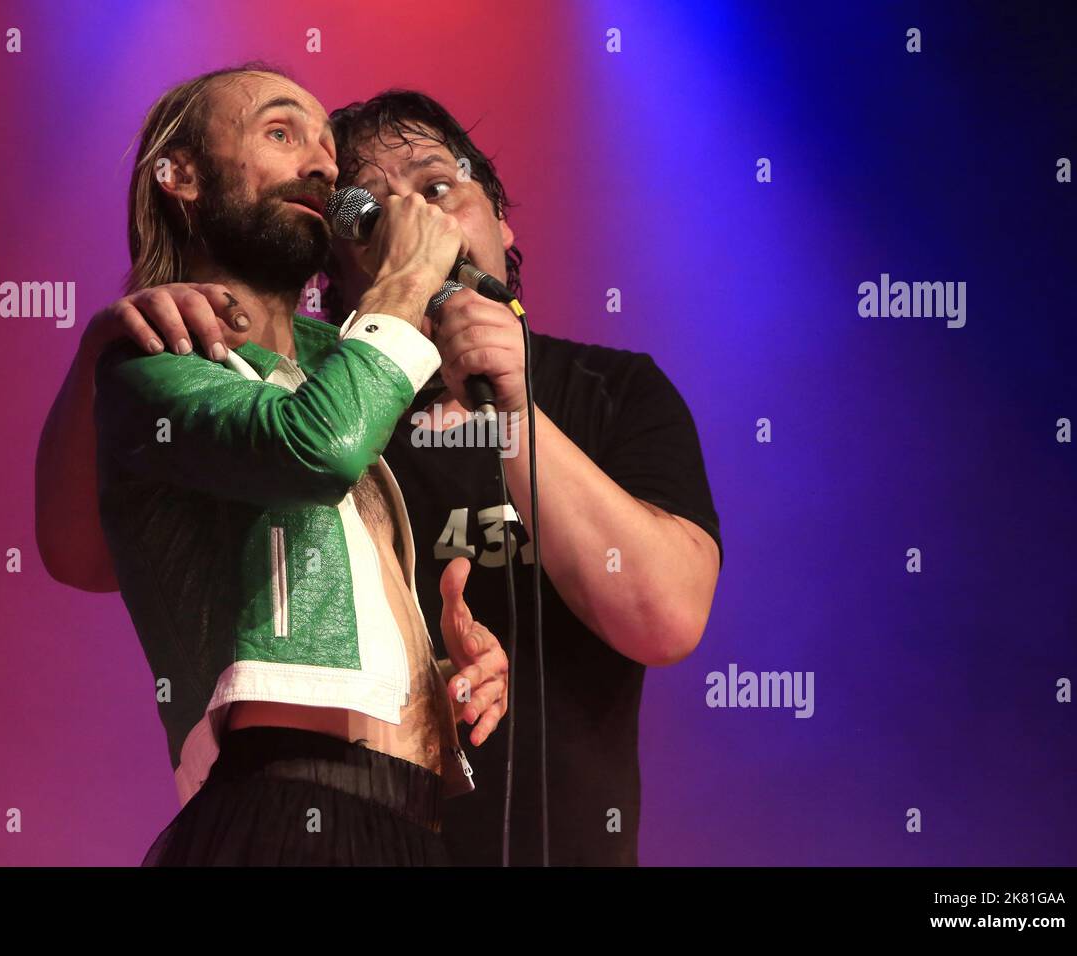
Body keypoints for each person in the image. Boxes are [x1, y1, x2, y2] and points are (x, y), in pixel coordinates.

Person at [38, 79, 722, 866]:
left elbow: (664, 616)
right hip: (314, 822)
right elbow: (91, 550)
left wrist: (511, 416)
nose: (419, 223)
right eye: (371, 211)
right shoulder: (297, 383)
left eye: (438, 189)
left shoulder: (610, 390)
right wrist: (100, 360)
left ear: (500, 219)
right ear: (335, 260)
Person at [38, 62, 510, 865]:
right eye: (282, 133)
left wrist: (435, 669)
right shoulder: (152, 355)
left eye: (328, 151)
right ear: (177, 176)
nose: (322, 167)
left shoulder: (342, 364)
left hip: (413, 821)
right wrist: (402, 282)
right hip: (282, 811)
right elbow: (313, 449)